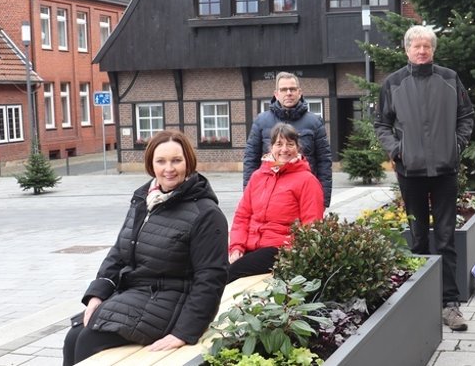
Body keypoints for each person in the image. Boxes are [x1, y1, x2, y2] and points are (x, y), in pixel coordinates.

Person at [62, 130, 228, 365]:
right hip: (136, 295)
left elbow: (211, 277)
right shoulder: (144, 200)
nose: (168, 168)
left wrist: (184, 332)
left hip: (171, 301)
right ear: (151, 164)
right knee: (73, 336)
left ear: (188, 162)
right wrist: (98, 294)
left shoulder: (206, 213)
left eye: (176, 160)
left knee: (89, 340)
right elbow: (119, 251)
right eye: (161, 161)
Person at [374, 25, 474, 331]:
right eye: (416, 47)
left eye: (426, 47)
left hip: (445, 171)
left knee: (445, 238)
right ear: (407, 50)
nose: (421, 51)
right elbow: (381, 123)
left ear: (433, 50)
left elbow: (466, 116)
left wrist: (457, 145)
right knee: (417, 237)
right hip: (411, 172)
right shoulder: (393, 83)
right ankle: (419, 300)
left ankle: (450, 304)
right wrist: (396, 150)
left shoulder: (449, 78)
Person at [229, 123, 325, 283]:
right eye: (279, 144)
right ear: (271, 147)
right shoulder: (258, 176)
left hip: (281, 249)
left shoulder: (307, 180)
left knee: (230, 273)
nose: (284, 149)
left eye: (290, 144)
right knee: (213, 270)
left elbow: (312, 225)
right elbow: (242, 216)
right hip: (250, 245)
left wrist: (297, 254)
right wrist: (236, 247)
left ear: (297, 148)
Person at [244, 72, 333, 207]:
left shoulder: (315, 123)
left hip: (304, 196)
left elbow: (324, 162)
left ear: (300, 92)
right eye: (284, 89)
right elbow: (251, 160)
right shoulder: (261, 122)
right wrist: (248, 197)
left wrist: (323, 200)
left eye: (292, 89)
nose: (289, 93)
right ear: (276, 93)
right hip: (270, 196)